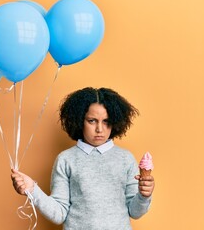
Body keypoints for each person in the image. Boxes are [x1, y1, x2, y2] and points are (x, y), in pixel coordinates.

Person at [11, 87, 155, 230]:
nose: (100, 129)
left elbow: (135, 212)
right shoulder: (66, 159)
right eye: (92, 121)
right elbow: (59, 214)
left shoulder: (125, 159)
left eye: (106, 121)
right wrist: (32, 190)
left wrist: (144, 195)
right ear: (80, 120)